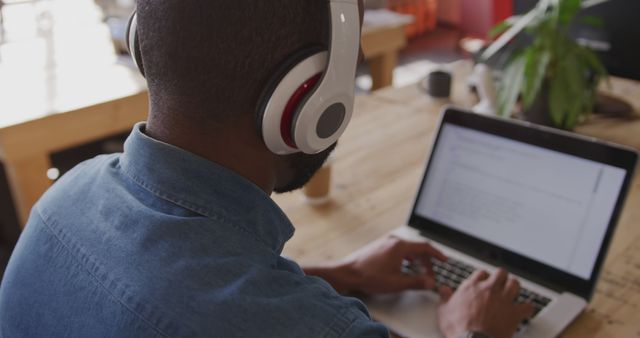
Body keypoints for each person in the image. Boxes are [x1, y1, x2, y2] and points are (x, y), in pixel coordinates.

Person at [0, 1, 533, 337]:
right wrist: (474, 331)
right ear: (308, 102)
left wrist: (343, 275)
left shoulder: (62, 199)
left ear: (146, 46)